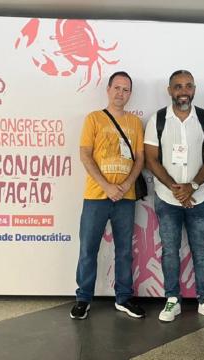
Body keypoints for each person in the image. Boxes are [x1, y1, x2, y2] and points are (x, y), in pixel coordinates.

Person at [144, 70, 204, 323]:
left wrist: (192, 185)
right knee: (170, 251)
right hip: (167, 198)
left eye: (188, 86)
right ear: (169, 90)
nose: (183, 91)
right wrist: (176, 188)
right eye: (178, 86)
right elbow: (151, 159)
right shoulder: (158, 119)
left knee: (201, 252)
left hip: (199, 197)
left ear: (194, 89)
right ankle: (172, 300)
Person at [71, 71, 146, 320]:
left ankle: (123, 298)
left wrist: (124, 185)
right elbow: (85, 154)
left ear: (130, 94)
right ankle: (83, 298)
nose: (120, 93)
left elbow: (140, 159)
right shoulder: (93, 119)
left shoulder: (135, 123)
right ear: (108, 90)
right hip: (96, 196)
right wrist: (107, 185)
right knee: (88, 248)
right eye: (117, 88)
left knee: (124, 250)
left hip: (125, 197)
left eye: (126, 89)